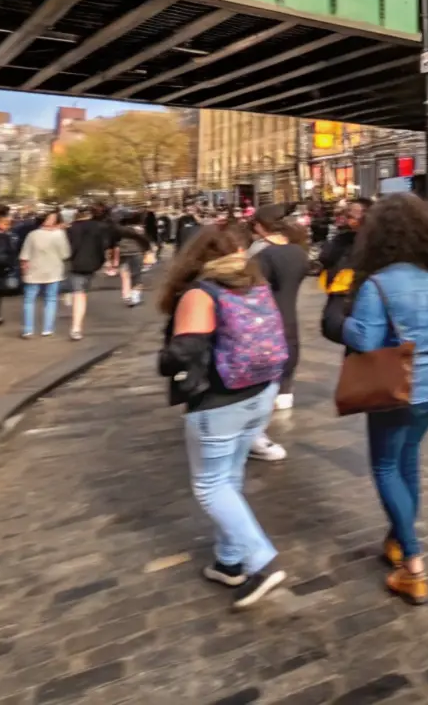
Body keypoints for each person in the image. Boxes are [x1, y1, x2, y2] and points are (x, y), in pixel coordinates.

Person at [343, 194, 428, 605]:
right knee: (409, 459)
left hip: (395, 387)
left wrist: (340, 322)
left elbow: (363, 339)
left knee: (385, 465)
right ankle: (399, 538)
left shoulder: (377, 284)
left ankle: (412, 566)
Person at [159, 225, 287, 608]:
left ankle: (257, 557)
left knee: (211, 486)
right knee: (229, 479)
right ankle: (228, 562)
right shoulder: (254, 285)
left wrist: (165, 358)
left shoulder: (201, 294)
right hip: (260, 393)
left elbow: (182, 355)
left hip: (219, 403)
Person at [249, 205, 310, 414]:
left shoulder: (262, 254)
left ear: (260, 226)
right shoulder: (298, 252)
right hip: (289, 309)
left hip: (265, 314)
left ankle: (269, 389)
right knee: (290, 343)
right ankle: (285, 389)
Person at [320, 198, 367, 343]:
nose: (347, 220)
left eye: (351, 216)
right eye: (346, 215)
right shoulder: (343, 238)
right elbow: (325, 257)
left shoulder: (373, 242)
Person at [19, 211, 71, 338]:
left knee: (29, 300)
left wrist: (23, 268)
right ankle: (47, 329)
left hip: (33, 270)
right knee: (51, 299)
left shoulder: (32, 235)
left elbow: (24, 255)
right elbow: (65, 254)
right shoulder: (59, 235)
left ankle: (28, 329)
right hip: (53, 270)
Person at [66, 205, 109, 341]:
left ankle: (76, 328)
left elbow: (67, 248)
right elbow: (103, 246)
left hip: (74, 264)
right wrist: (102, 262)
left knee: (79, 293)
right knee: (82, 292)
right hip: (91, 264)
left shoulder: (71, 228)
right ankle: (76, 326)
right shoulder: (98, 227)